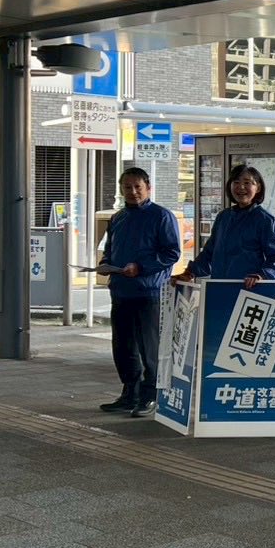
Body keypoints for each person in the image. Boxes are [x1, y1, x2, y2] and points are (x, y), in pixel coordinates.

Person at [99, 168, 182, 418]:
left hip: (149, 292)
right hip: (121, 291)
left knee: (150, 347)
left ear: (148, 188)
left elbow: (171, 253)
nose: (132, 192)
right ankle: (129, 393)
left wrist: (142, 267)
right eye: (127, 187)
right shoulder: (118, 218)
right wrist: (105, 263)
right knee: (123, 347)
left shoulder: (162, 216)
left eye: (138, 187)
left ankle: (150, 395)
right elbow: (110, 249)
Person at [173, 164, 275, 289]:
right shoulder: (224, 217)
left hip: (249, 291)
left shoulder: (265, 221)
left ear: (258, 188)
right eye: (236, 182)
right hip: (218, 288)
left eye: (247, 182)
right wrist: (190, 272)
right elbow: (209, 253)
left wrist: (262, 276)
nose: (241, 187)